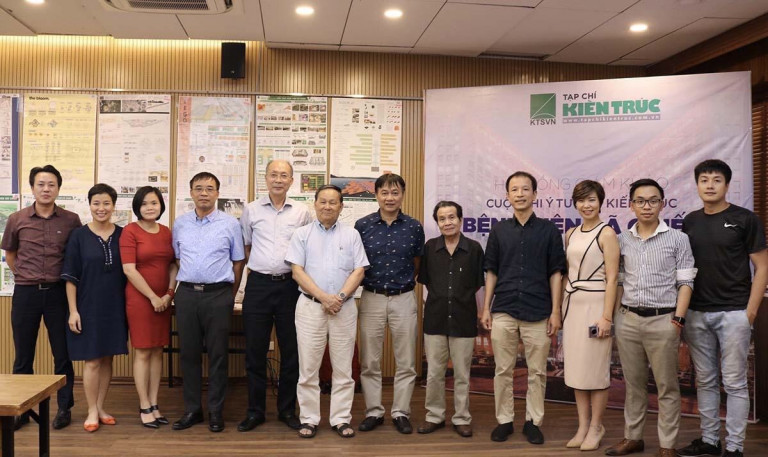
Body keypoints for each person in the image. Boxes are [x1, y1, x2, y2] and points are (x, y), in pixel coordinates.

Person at [676, 160, 768, 457]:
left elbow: (763, 267)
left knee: (735, 383)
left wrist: (750, 312)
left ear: (727, 185)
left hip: (734, 313)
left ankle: (735, 447)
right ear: (697, 185)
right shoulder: (690, 221)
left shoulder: (745, 219)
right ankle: (710, 441)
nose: (710, 185)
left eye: (717, 180)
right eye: (704, 180)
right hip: (697, 313)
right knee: (705, 380)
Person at [605, 179, 696, 457]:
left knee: (667, 387)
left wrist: (678, 320)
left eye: (653, 200)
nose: (647, 206)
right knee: (633, 386)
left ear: (662, 204)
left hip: (664, 320)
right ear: (631, 205)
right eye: (641, 201)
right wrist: (616, 317)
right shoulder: (621, 240)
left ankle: (667, 445)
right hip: (628, 320)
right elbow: (619, 281)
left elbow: (686, 282)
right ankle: (633, 438)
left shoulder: (678, 239)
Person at [481, 171, 565, 445]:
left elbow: (556, 272)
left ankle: (533, 422)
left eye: (525, 189)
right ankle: (504, 420)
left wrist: (555, 311)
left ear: (535, 194)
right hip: (504, 308)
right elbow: (491, 271)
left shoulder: (549, 230)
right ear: (507, 195)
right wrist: (486, 308)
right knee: (502, 370)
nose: (520, 194)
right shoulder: (499, 230)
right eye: (514, 189)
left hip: (539, 310)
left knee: (537, 372)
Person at [285, 184, 369, 439]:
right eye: (323, 201)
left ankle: (341, 419)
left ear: (341, 207)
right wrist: (324, 298)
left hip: (344, 308)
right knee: (308, 368)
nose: (327, 206)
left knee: (343, 368)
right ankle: (309, 419)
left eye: (333, 202)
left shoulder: (352, 235)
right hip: (310, 307)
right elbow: (297, 271)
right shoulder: (302, 234)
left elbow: (359, 270)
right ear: (315, 204)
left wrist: (339, 298)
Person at [2, 165, 81, 431]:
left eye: (51, 185)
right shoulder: (17, 219)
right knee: (23, 355)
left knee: (62, 354)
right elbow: (10, 254)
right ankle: (23, 411)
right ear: (32, 187)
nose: (46, 189)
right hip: (26, 293)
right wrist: (25, 276)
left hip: (58, 293)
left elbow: (75, 256)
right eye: (41, 184)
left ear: (58, 188)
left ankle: (64, 408)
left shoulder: (71, 220)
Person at [237, 160, 311, 432]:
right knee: (255, 351)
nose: (278, 179)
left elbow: (307, 248)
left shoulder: (302, 212)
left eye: (284, 175)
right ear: (265, 178)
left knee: (291, 351)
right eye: (273, 175)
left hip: (290, 287)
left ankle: (287, 410)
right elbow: (246, 247)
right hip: (258, 286)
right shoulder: (251, 210)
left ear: (291, 180)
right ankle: (255, 411)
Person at [171, 172, 245, 433]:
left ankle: (216, 411)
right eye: (199, 188)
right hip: (187, 294)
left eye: (209, 188)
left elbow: (238, 262)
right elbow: (178, 258)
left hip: (218, 295)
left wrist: (229, 295)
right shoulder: (180, 223)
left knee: (218, 355)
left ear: (217, 194)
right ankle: (193, 410)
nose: (204, 193)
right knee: (189, 354)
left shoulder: (230, 224)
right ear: (191, 192)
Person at [355, 173, 424, 434]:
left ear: (402, 195)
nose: (390, 198)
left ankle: (400, 412)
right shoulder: (362, 225)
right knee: (369, 361)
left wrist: (403, 284)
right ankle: (374, 411)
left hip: (403, 298)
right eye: (384, 192)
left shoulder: (414, 226)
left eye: (395, 192)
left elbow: (417, 262)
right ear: (376, 195)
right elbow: (356, 263)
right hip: (371, 297)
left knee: (405, 361)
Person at [61, 183, 128, 432]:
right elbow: (70, 277)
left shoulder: (123, 234)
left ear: (113, 206)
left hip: (116, 306)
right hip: (87, 306)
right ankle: (91, 409)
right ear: (89, 205)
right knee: (92, 360)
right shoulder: (78, 236)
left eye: (106, 203)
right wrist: (73, 311)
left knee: (108, 357)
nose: (101, 208)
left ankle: (100, 407)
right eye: (96, 203)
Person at [416, 201, 484, 438]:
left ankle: (462, 418)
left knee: (462, 374)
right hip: (435, 318)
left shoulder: (474, 249)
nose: (447, 222)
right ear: (437, 223)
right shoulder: (430, 248)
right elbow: (426, 280)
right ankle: (434, 416)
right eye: (442, 219)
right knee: (434, 372)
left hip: (464, 318)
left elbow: (477, 283)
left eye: (452, 217)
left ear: (460, 219)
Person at [561, 180, 619, 451]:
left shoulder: (607, 233)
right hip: (572, 306)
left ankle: (596, 426)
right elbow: (567, 274)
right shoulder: (570, 233)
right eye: (582, 200)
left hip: (596, 307)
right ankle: (582, 426)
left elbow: (613, 278)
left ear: (601, 202)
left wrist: (607, 316)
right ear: (575, 203)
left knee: (595, 370)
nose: (587, 205)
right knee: (577, 370)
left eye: (592, 200)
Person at [119, 186, 177, 429]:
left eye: (154, 202)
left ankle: (154, 403)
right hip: (141, 300)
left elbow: (173, 265)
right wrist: (153, 297)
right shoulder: (130, 231)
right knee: (143, 351)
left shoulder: (166, 232)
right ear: (137, 207)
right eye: (144, 203)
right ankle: (144, 405)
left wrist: (169, 294)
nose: (150, 207)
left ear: (161, 205)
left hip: (163, 300)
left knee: (157, 351)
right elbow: (129, 269)